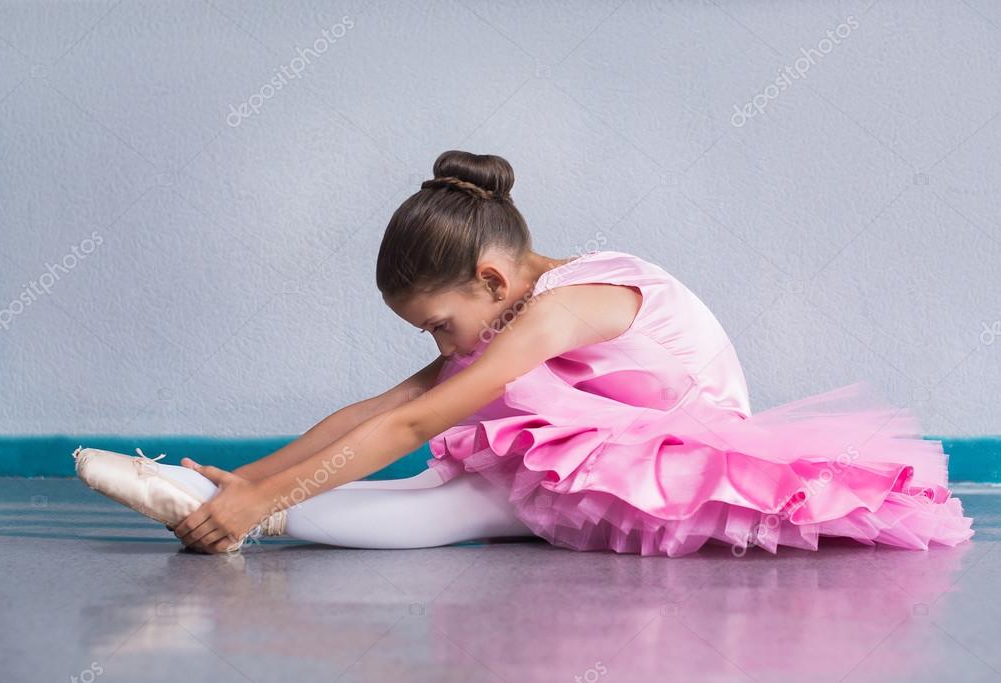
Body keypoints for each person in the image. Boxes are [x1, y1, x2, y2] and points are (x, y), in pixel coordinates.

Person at [74, 150, 975, 557]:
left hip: (673, 462)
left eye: (440, 323)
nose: (442, 344)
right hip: (610, 434)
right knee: (444, 481)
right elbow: (389, 404)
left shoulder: (560, 310)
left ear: (491, 279)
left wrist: (264, 499)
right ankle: (224, 499)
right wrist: (255, 472)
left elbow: (417, 422)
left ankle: (239, 517)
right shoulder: (512, 307)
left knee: (466, 500)